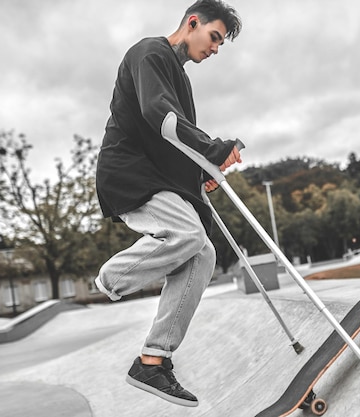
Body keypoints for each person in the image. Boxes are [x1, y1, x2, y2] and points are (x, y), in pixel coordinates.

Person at [94, 0, 242, 408]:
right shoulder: (150, 53)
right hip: (127, 174)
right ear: (191, 22)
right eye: (213, 36)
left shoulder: (180, 78)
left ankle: (152, 360)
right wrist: (213, 149)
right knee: (187, 233)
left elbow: (174, 147)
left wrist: (201, 176)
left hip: (155, 177)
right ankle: (113, 278)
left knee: (203, 254)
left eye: (221, 44)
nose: (215, 48)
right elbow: (161, 117)